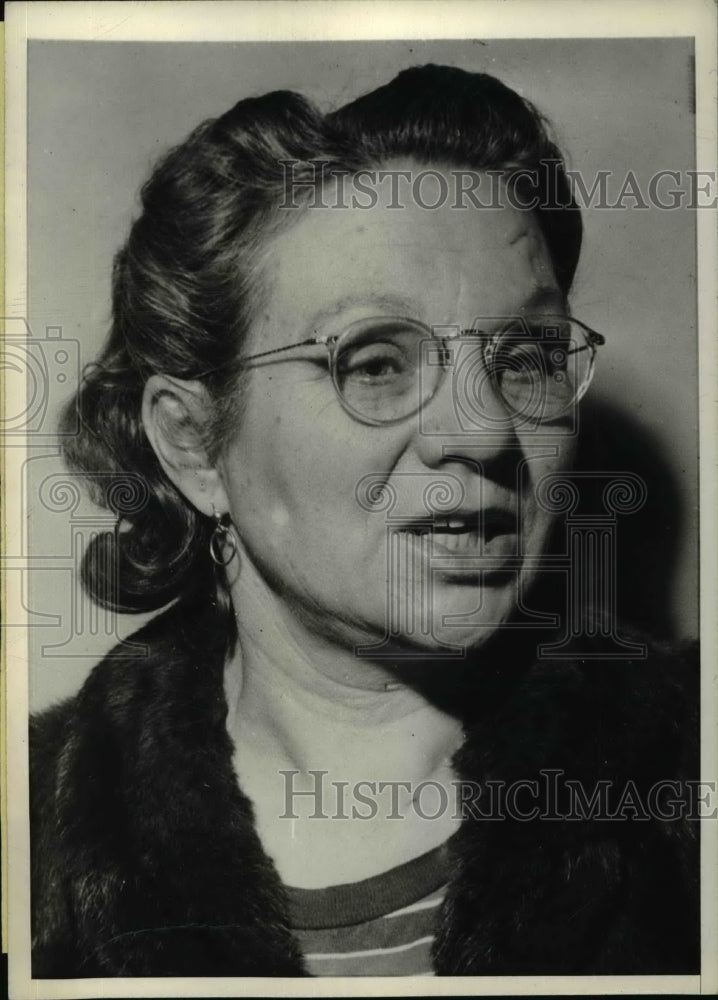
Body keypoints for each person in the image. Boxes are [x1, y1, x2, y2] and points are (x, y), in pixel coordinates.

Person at [30, 64, 698, 978]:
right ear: (193, 445)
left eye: (529, 354)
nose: (487, 430)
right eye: (377, 361)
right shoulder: (33, 832)